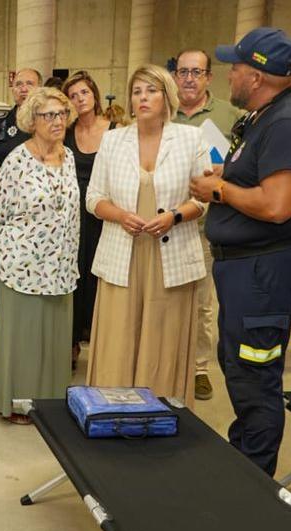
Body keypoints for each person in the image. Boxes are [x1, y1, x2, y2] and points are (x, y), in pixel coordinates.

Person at [189, 27, 291, 476]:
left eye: (236, 67)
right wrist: (227, 176)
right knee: (241, 367)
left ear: (258, 76)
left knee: (255, 375)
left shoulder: (287, 124)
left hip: (266, 272)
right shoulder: (265, 116)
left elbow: (276, 204)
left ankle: (255, 480)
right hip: (251, 269)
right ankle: (245, 455)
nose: (229, 74)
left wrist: (218, 190)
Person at [86, 64, 211, 407]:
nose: (142, 98)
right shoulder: (113, 140)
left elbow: (203, 197)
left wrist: (174, 216)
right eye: (137, 91)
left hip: (170, 255)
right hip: (122, 253)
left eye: (151, 91)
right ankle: (112, 404)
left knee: (163, 333)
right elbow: (93, 197)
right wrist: (120, 216)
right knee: (119, 333)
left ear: (167, 95)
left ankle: (162, 404)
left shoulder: (191, 138)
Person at [0, 87, 80, 423]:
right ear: (33, 120)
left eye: (62, 114)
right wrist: (19, 248)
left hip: (61, 263)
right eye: (49, 115)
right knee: (24, 338)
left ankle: (50, 403)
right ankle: (18, 403)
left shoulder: (68, 157)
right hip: (21, 265)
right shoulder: (17, 159)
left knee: (54, 338)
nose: (57, 121)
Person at [171, 48, 244, 401]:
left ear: (208, 77)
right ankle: (167, 363)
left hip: (206, 227)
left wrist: (223, 172)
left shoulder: (231, 116)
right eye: (183, 71)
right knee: (165, 301)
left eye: (196, 72)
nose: (188, 78)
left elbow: (250, 164)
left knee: (201, 303)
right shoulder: (162, 112)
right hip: (162, 224)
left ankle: (199, 368)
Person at [0, 67, 41, 351]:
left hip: (41, 214)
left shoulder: (47, 124)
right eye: (19, 84)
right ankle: (0, 327)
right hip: (7, 214)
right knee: (4, 271)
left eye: (30, 83)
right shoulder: (1, 125)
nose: (23, 88)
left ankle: (30, 331)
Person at [62, 70, 115, 369]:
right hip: (71, 216)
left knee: (98, 278)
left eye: (84, 92)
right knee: (74, 276)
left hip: (102, 215)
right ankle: (69, 343)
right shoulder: (66, 132)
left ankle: (99, 341)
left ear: (94, 94)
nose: (80, 99)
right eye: (73, 95)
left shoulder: (115, 131)